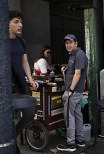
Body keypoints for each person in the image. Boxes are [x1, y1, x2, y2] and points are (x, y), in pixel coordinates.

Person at [9, 10, 38, 154]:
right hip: (8, 86)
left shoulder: (21, 41)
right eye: (16, 22)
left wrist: (31, 80)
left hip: (22, 83)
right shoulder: (2, 41)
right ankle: (11, 146)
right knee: (9, 118)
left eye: (21, 22)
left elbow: (25, 62)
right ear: (7, 24)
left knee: (29, 113)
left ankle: (11, 137)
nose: (20, 25)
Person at [57, 34, 88, 152]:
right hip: (77, 92)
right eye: (66, 43)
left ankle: (70, 144)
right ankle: (80, 140)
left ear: (76, 43)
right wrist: (64, 71)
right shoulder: (74, 55)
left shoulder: (79, 55)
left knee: (69, 117)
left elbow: (78, 74)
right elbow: (74, 72)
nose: (68, 45)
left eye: (70, 42)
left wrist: (70, 90)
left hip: (73, 92)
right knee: (77, 115)